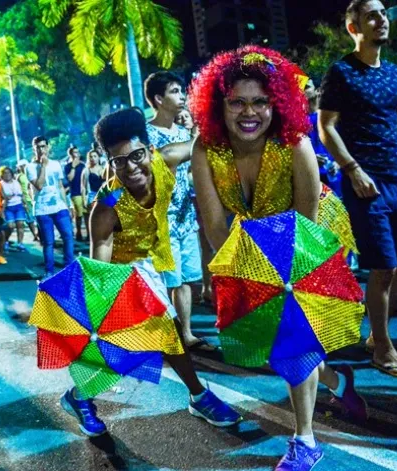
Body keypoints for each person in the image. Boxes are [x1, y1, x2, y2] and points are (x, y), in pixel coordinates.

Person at [190, 45, 368, 471]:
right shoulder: (205, 149)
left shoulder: (295, 144)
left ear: (277, 104)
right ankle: (335, 379)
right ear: (220, 105)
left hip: (310, 236)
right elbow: (215, 228)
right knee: (273, 342)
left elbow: (305, 229)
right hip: (250, 243)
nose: (248, 112)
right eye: (237, 102)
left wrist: (280, 277)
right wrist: (242, 272)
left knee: (292, 336)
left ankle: (304, 440)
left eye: (260, 102)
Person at [60, 108, 242, 437]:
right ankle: (198, 395)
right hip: (120, 271)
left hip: (150, 262)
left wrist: (233, 115)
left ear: (150, 149)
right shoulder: (107, 204)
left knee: (146, 344)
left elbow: (203, 142)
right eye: (119, 161)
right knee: (153, 335)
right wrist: (100, 303)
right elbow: (100, 258)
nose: (131, 167)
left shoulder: (166, 160)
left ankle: (80, 396)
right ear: (109, 163)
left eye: (136, 155)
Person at [318, 0, 397, 379]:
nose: (381, 19)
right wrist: (352, 170)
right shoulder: (341, 73)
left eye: (383, 13)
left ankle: (376, 336)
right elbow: (326, 126)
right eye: (371, 14)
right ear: (354, 28)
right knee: (382, 266)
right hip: (366, 183)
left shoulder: (396, 74)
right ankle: (383, 348)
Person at [144, 71, 208, 350]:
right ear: (158, 99)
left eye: (182, 91)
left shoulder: (184, 133)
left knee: (187, 280)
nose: (182, 96)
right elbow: (157, 165)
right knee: (169, 279)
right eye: (174, 91)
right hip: (162, 219)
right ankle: (172, 333)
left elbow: (193, 173)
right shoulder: (146, 134)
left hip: (186, 217)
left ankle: (186, 332)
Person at [176, 108, 214, 307]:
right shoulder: (177, 141)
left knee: (211, 244)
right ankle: (204, 287)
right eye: (179, 117)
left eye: (186, 116)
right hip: (188, 201)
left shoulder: (205, 138)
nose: (183, 119)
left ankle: (211, 287)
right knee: (201, 245)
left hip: (207, 197)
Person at [26, 136, 74, 279]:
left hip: (59, 205)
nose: (41, 149)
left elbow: (60, 186)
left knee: (68, 236)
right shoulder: (30, 167)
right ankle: (49, 272)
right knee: (48, 242)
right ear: (34, 149)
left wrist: (68, 205)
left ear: (48, 147)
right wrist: (43, 166)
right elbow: (39, 185)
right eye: (38, 147)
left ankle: (69, 268)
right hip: (42, 208)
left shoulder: (56, 164)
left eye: (43, 146)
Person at [304, 79, 342, 196]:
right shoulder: (298, 121)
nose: (302, 89)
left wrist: (338, 163)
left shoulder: (331, 117)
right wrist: (311, 159)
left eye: (307, 86)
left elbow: (345, 144)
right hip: (311, 178)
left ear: (318, 91)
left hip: (334, 175)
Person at [0, 167, 28, 252]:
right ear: (2, 175)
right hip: (8, 207)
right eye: (5, 173)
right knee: (10, 226)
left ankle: (20, 243)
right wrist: (5, 197)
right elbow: (1, 196)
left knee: (20, 224)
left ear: (12, 174)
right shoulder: (0, 184)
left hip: (18, 205)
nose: (7, 175)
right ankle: (6, 240)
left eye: (9, 173)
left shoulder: (16, 183)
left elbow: (21, 194)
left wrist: (25, 203)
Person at [64, 146, 88, 241]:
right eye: (74, 152)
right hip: (75, 192)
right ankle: (78, 232)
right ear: (70, 154)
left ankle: (89, 233)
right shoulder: (68, 166)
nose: (77, 154)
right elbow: (70, 178)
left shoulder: (83, 165)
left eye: (77, 152)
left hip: (84, 192)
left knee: (86, 213)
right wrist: (73, 166)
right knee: (79, 213)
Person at [17, 159, 40, 242]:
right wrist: (23, 201)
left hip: (35, 199)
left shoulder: (32, 173)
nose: (23, 167)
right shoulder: (19, 177)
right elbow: (19, 190)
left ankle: (39, 233)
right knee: (30, 219)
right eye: (21, 166)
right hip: (26, 200)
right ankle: (35, 234)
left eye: (24, 165)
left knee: (38, 218)